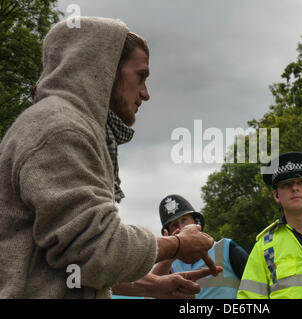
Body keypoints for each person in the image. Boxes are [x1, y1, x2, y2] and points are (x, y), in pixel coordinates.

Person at [0, 17, 218, 299]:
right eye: (140, 76)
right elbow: (96, 250)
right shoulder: (61, 130)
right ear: (106, 70)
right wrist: (176, 244)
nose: (145, 94)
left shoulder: (63, 124)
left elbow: (73, 264)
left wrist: (152, 285)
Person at [238, 152, 302, 299]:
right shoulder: (264, 246)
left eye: (301, 182)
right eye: (287, 185)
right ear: (276, 195)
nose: (294, 188)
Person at [151, 194, 249, 299]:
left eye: (184, 220)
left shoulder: (228, 249)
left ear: (197, 223)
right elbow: (149, 293)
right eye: (174, 225)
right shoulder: (168, 267)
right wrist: (171, 254)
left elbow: (255, 287)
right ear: (169, 234)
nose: (181, 228)